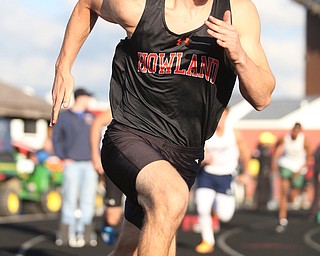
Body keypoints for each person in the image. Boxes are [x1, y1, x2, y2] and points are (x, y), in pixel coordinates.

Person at [50, 0, 275, 255]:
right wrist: (63, 66)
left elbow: (262, 97)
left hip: (185, 153)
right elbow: (87, 5)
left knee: (131, 247)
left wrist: (239, 55)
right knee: (170, 198)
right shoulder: (137, 5)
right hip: (131, 135)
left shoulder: (237, 13)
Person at [194, 107, 250, 254]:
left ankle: (215, 210)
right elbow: (196, 155)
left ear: (227, 117)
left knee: (225, 215)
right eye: (217, 116)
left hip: (226, 175)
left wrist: (246, 173)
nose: (220, 120)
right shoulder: (206, 133)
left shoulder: (234, 133)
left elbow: (245, 154)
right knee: (202, 207)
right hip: (207, 175)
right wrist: (203, 160)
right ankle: (207, 240)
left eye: (223, 116)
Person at [52, 88, 98, 247]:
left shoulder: (92, 117)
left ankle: (85, 234)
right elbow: (56, 138)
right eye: (87, 97)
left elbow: (97, 139)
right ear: (80, 98)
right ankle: (66, 235)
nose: (89, 101)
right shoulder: (65, 117)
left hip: (89, 164)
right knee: (69, 199)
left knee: (88, 200)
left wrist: (96, 159)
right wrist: (62, 157)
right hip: (71, 164)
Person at [90, 109, 124, 244]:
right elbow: (97, 122)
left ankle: (126, 238)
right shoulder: (123, 105)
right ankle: (108, 225)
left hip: (140, 166)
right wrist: (95, 155)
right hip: (114, 165)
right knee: (113, 217)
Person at [272, 123, 311, 233]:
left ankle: (290, 197)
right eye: (293, 130)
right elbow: (275, 147)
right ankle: (282, 218)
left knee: (293, 194)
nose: (294, 133)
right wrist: (273, 161)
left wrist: (302, 168)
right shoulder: (285, 138)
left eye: (297, 131)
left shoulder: (304, 140)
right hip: (286, 165)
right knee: (283, 191)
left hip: (298, 167)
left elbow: (309, 155)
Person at [253, 131, 276, 211]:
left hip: (265, 173)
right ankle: (260, 204)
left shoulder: (266, 151)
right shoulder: (260, 151)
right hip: (261, 174)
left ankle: (264, 203)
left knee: (267, 188)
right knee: (261, 188)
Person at [309, 144, 320, 223]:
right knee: (317, 194)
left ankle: (314, 213)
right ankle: (314, 213)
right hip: (317, 173)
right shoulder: (318, 149)